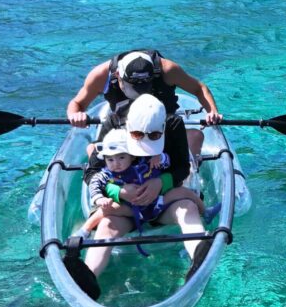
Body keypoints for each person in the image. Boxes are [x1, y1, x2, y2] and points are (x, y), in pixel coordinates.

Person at [82, 96, 213, 285]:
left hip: (163, 201)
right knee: (106, 225)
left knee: (187, 208)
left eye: (154, 137)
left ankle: (198, 260)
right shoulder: (114, 123)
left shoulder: (173, 123)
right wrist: (118, 192)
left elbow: (182, 167)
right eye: (137, 136)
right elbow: (93, 172)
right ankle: (88, 277)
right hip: (127, 208)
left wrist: (160, 182)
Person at [66, 49, 222, 200]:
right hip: (124, 130)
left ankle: (186, 180)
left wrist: (212, 112)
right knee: (93, 149)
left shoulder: (168, 69)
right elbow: (77, 103)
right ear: (119, 77)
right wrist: (76, 115)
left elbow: (199, 88)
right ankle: (111, 183)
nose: (140, 94)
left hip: (164, 130)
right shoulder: (101, 75)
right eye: (134, 88)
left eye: (145, 86)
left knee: (195, 135)